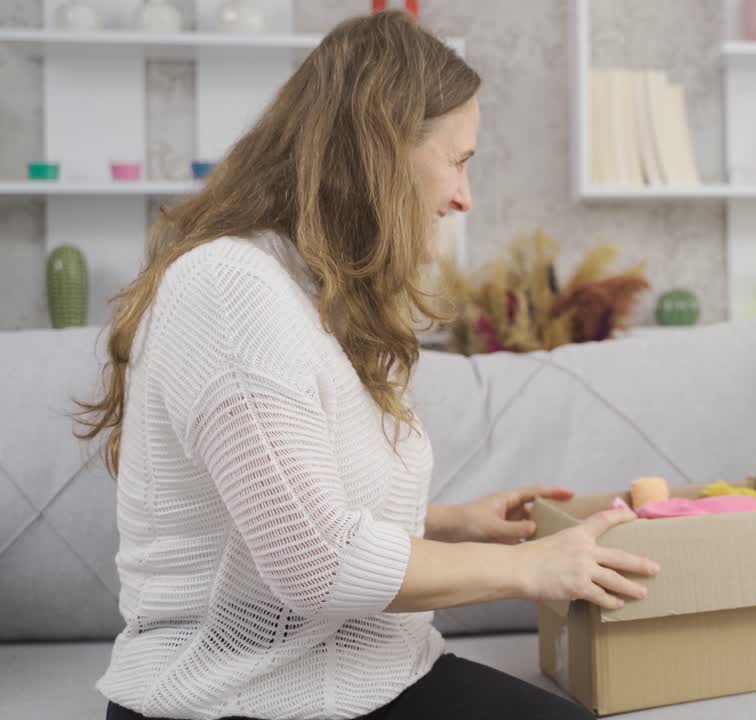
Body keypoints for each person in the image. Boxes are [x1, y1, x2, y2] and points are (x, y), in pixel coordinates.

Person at [77, 12, 656, 720]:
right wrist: (528, 569)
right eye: (460, 159)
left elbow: (294, 503)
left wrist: (450, 522)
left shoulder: (320, 297)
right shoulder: (228, 287)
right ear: (383, 150)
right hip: (230, 701)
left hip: (379, 674)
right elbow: (316, 563)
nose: (464, 197)